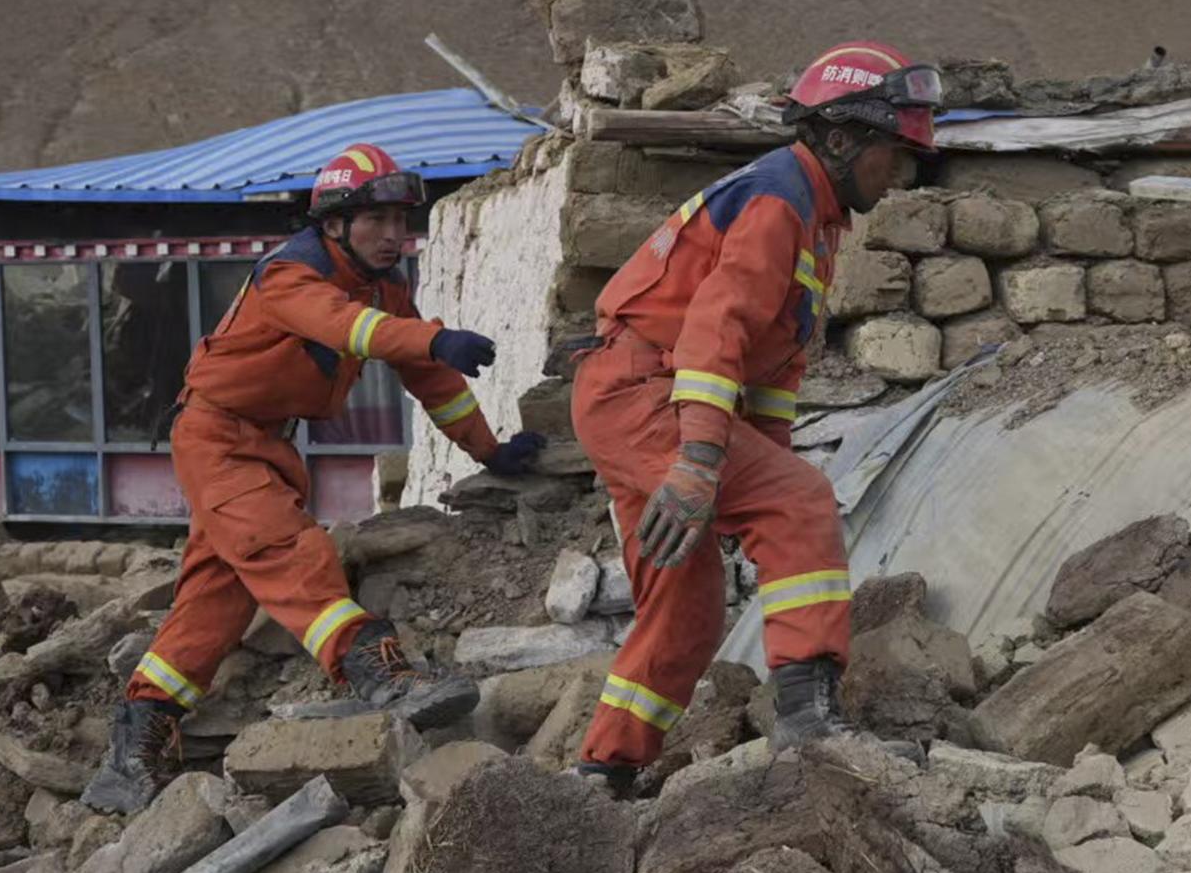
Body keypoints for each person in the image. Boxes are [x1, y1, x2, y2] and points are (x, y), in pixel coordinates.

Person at [82, 144, 545, 813]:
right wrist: (431, 336)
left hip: (265, 443)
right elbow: (349, 328)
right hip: (217, 436)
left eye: (400, 219)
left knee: (216, 596)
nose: (394, 235)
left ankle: (134, 746)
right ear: (333, 223)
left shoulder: (382, 290)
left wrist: (489, 450)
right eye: (376, 219)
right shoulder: (292, 275)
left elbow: (433, 382)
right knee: (288, 549)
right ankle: (378, 672)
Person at [570, 42, 941, 795]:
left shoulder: (815, 216)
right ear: (840, 138)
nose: (899, 172)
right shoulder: (781, 200)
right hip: (647, 391)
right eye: (892, 152)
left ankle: (601, 771)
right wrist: (705, 464)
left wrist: (750, 468)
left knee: (689, 611)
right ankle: (809, 723)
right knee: (800, 498)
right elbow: (716, 331)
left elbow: (771, 367)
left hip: (640, 394)